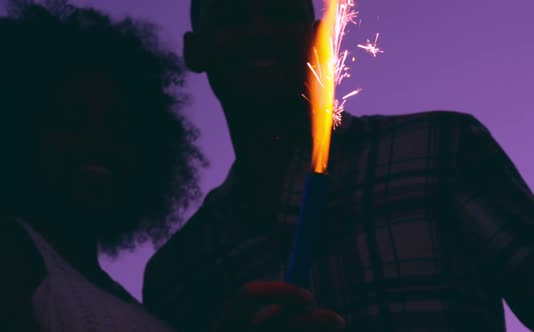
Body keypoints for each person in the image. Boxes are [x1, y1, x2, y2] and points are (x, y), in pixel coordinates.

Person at [142, 0, 534, 331]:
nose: (260, 31)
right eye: (232, 17)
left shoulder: (443, 149)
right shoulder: (179, 272)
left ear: (319, 38)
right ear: (194, 50)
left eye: (280, 13)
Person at [0, 1, 207, 331]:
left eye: (118, 128)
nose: (100, 143)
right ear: (8, 132)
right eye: (72, 122)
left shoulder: (121, 292)